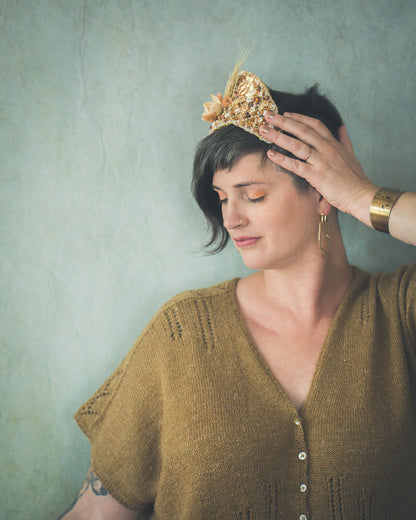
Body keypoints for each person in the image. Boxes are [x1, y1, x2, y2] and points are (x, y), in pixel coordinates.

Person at [58, 63, 416, 520]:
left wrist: (362, 196)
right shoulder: (181, 334)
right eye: (223, 197)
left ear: (324, 192)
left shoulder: (401, 314)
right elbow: (96, 513)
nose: (231, 220)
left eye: (254, 195)